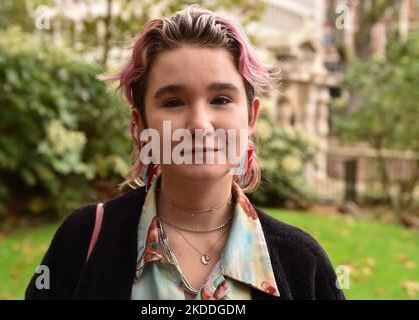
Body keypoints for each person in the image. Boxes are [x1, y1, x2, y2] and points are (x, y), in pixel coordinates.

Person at [25, 5, 345, 300]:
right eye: (173, 102)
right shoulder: (83, 241)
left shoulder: (303, 264)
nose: (199, 125)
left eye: (220, 99)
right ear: (141, 123)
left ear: (250, 118)